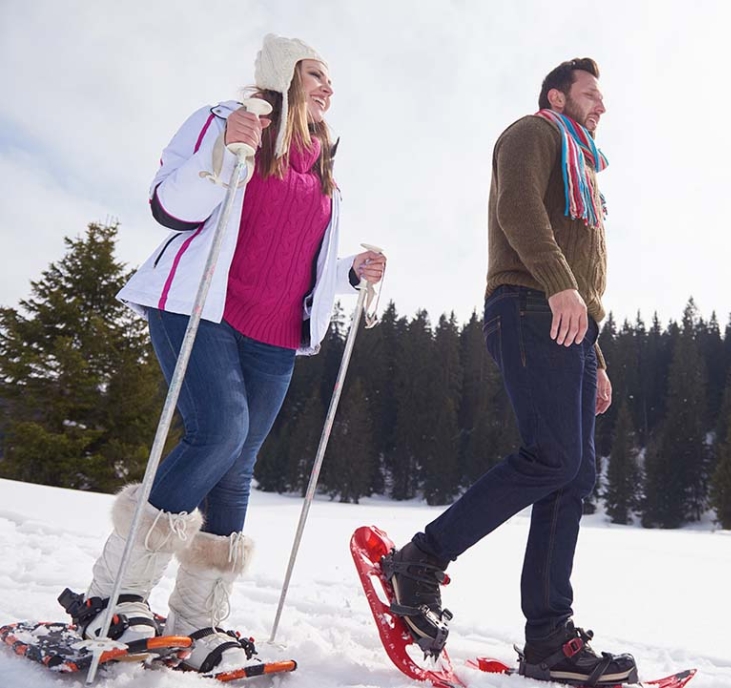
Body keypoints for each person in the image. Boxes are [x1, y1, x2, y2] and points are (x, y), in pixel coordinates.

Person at [60, 34, 387, 675]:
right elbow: (170, 206)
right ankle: (114, 594)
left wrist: (351, 271)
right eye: (315, 75)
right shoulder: (226, 120)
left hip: (274, 333)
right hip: (200, 305)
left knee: (237, 465)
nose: (327, 88)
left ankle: (197, 620)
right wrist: (226, 149)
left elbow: (297, 253)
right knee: (220, 432)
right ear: (282, 76)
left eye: (329, 80)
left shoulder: (322, 166)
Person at [384, 58, 637, 686]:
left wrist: (594, 356)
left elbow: (581, 274)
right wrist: (558, 288)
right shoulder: (534, 132)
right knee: (553, 456)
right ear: (558, 95)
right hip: (529, 303)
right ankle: (419, 561)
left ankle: (550, 638)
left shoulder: (582, 166)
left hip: (567, 320)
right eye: (590, 95)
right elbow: (518, 210)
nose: (600, 107)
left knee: (572, 478)